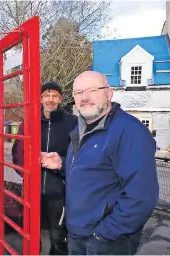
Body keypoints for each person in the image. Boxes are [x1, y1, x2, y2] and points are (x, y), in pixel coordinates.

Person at [43, 71, 159, 255]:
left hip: (107, 241)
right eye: (79, 92)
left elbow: (141, 197)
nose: (85, 97)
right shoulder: (82, 127)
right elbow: (94, 169)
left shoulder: (129, 131)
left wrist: (103, 234)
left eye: (92, 90)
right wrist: (62, 164)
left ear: (109, 93)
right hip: (77, 232)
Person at [12, 81, 77, 255]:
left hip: (58, 192)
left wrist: (61, 164)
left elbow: (79, 156)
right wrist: (25, 172)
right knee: (31, 235)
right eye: (46, 96)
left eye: (54, 96)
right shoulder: (29, 122)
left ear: (60, 99)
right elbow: (18, 152)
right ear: (40, 99)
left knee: (58, 236)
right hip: (32, 189)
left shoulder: (72, 122)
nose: (50, 100)